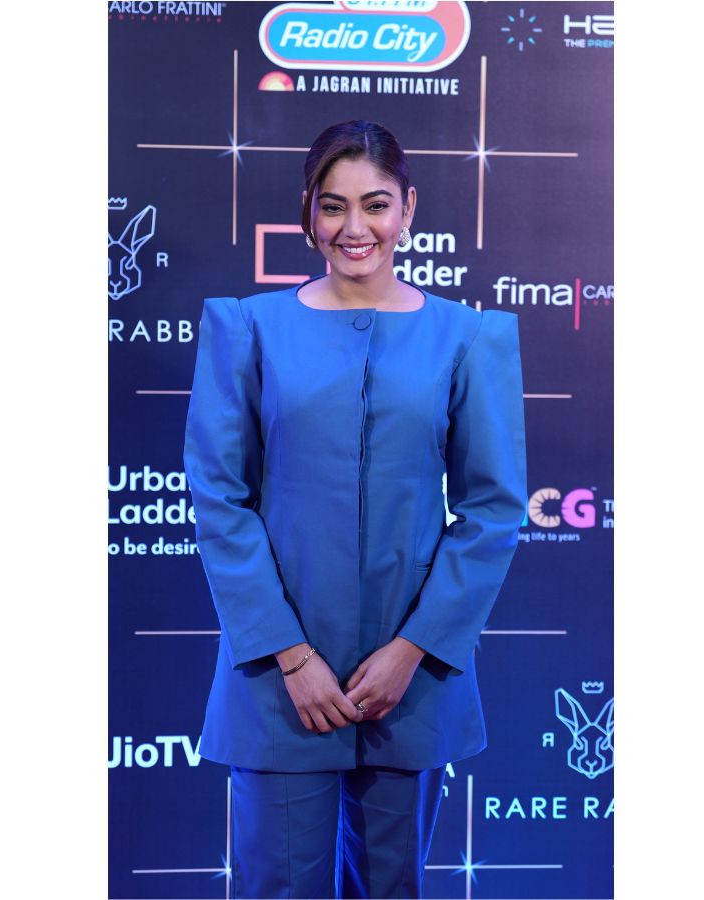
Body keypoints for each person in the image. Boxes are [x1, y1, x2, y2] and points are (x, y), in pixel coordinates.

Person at [183, 119, 527, 899]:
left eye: (375, 204)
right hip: (278, 680)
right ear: (308, 212)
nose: (354, 227)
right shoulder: (248, 329)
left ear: (408, 208)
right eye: (333, 205)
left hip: (410, 682)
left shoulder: (466, 337)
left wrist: (413, 648)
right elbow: (220, 500)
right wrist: (290, 655)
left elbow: (492, 508)